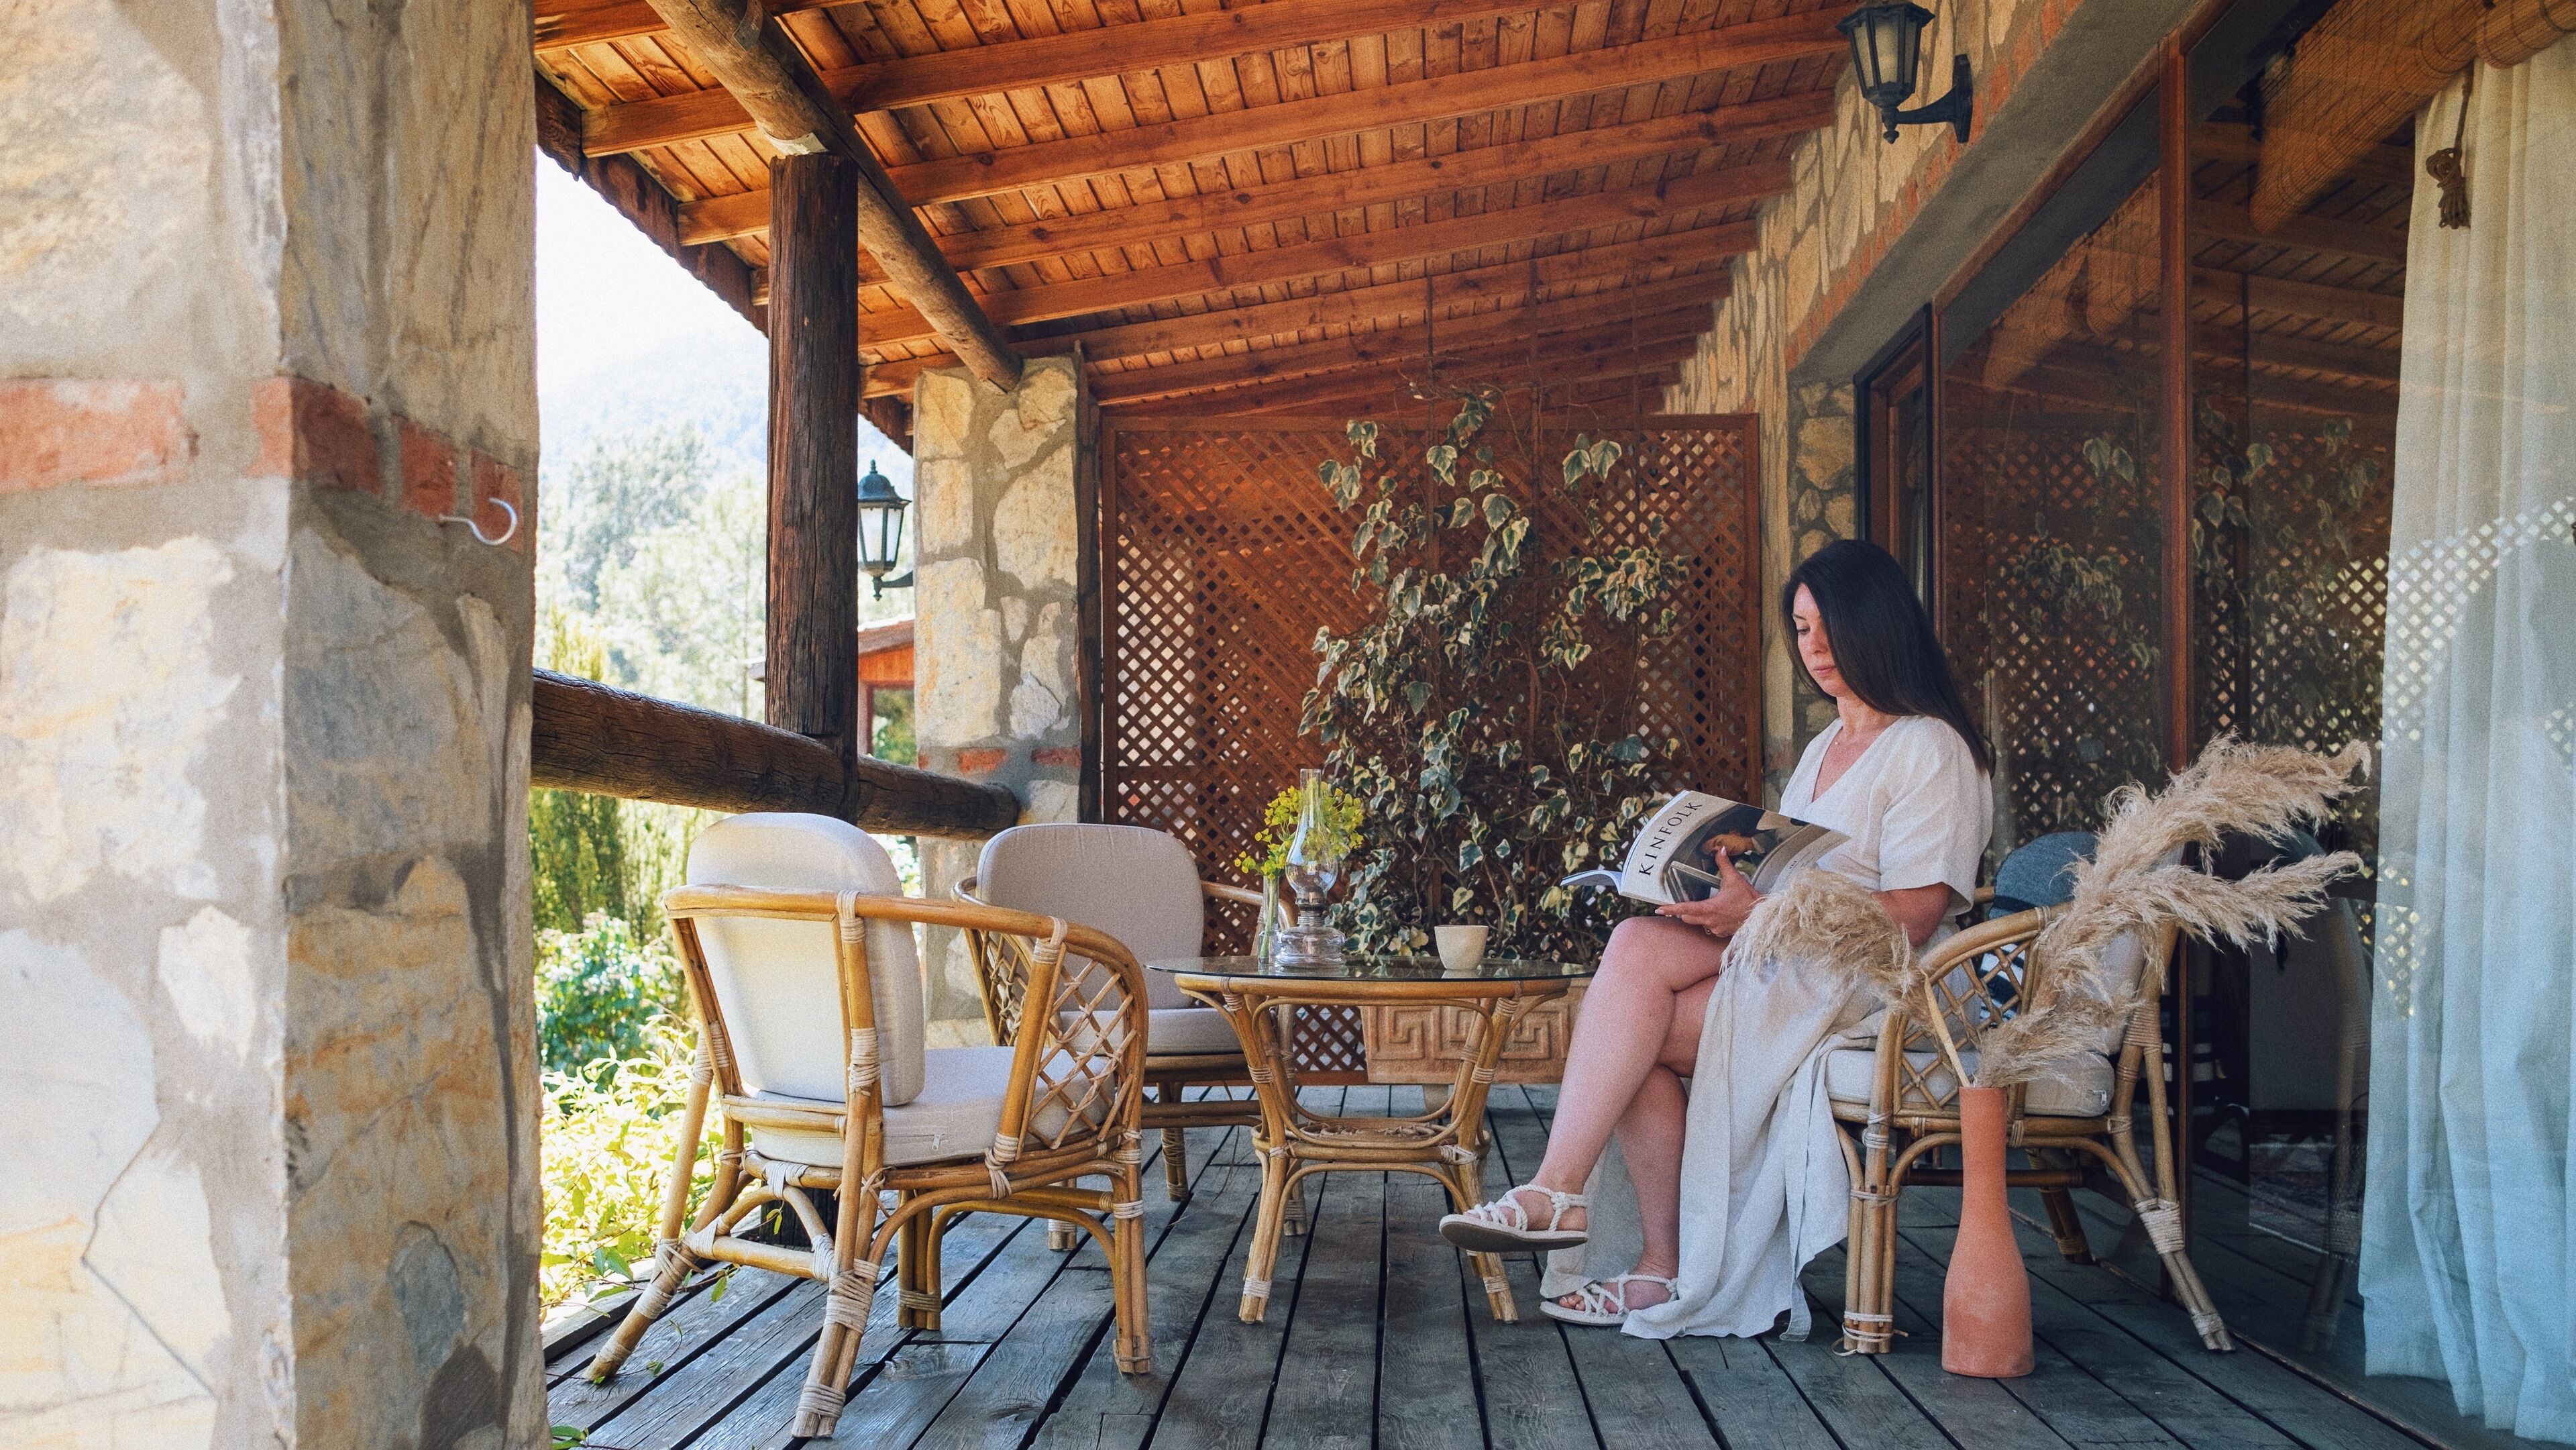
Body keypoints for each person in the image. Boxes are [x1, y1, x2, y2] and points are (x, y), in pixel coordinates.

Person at [1439, 539, 1994, 1329]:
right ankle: (1574, 1206)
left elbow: (1914, 916)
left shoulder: (1929, 746)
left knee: (1641, 1034)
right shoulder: (1823, 748)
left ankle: (1625, 1241)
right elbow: (1796, 877)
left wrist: (1758, 914)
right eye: (1802, 631)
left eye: (1829, 628)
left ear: (1878, 625)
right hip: (1785, 950)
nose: (1816, 650)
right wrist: (1714, 891)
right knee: (1635, 942)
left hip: (1862, 980)